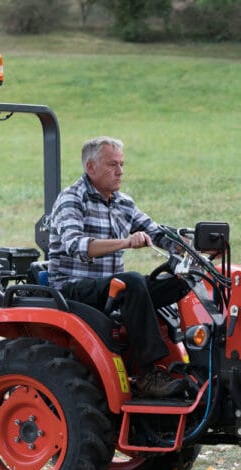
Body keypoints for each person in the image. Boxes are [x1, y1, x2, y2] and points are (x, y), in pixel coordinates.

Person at [47, 136, 188, 398]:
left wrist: (191, 246)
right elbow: (77, 246)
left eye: (122, 164)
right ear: (91, 167)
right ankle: (148, 373)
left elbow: (157, 234)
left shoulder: (124, 203)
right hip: (73, 289)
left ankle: (191, 362)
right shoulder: (71, 199)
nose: (120, 171)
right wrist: (125, 242)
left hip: (111, 288)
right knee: (132, 282)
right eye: (113, 165)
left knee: (178, 281)